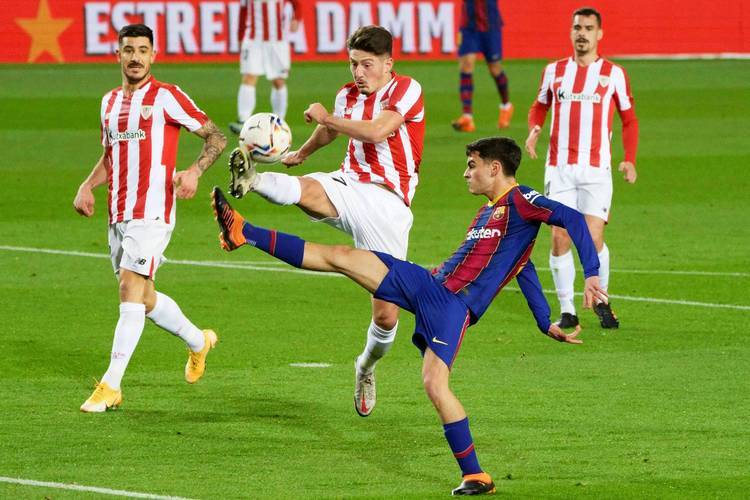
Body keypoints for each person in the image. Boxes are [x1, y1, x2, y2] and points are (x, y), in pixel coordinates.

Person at [211, 136, 606, 495]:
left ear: (495, 168)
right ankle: (245, 232)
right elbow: (524, 267)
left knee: (435, 384)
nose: (465, 173)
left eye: (472, 165)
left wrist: (591, 273)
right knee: (342, 257)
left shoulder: (522, 200)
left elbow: (570, 220)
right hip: (429, 287)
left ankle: (475, 475)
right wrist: (544, 322)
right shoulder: (487, 214)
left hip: (452, 307)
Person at [227, 25, 425, 417]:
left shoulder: (406, 89)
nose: (359, 73)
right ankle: (253, 179)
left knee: (386, 314)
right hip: (349, 183)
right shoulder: (347, 95)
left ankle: (365, 366)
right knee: (311, 193)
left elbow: (376, 131)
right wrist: (302, 152)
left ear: (388, 63)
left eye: (367, 65)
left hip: (388, 202)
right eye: (353, 64)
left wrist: (328, 118)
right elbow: (328, 131)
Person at [73, 24, 228, 413]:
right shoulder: (109, 103)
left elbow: (216, 137)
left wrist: (194, 171)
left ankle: (111, 385)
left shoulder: (167, 96)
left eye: (143, 50)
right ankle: (199, 341)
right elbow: (111, 155)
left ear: (153, 55)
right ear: (118, 55)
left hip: (153, 211)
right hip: (118, 212)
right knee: (142, 299)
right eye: (129, 50)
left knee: (129, 289)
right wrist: (87, 185)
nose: (136, 57)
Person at [525, 6, 639, 329]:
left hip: (596, 169)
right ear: (571, 31)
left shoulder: (614, 74)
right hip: (559, 168)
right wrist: (535, 129)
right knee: (559, 236)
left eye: (588, 28)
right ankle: (567, 310)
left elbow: (629, 120)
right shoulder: (554, 71)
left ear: (599, 33)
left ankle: (602, 302)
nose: (582, 34)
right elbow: (539, 106)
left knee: (593, 236)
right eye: (577, 27)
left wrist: (629, 158)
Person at [229, 0, 300, 134]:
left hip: (277, 41)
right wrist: (240, 36)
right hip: (253, 40)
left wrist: (297, 18)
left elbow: (297, 3)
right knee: (249, 77)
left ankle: (279, 122)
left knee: (278, 81)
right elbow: (243, 11)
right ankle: (243, 120)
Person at [451, 0, 513, 133]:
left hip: (491, 26)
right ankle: (467, 116)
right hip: (469, 27)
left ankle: (506, 106)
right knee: (466, 66)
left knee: (495, 69)